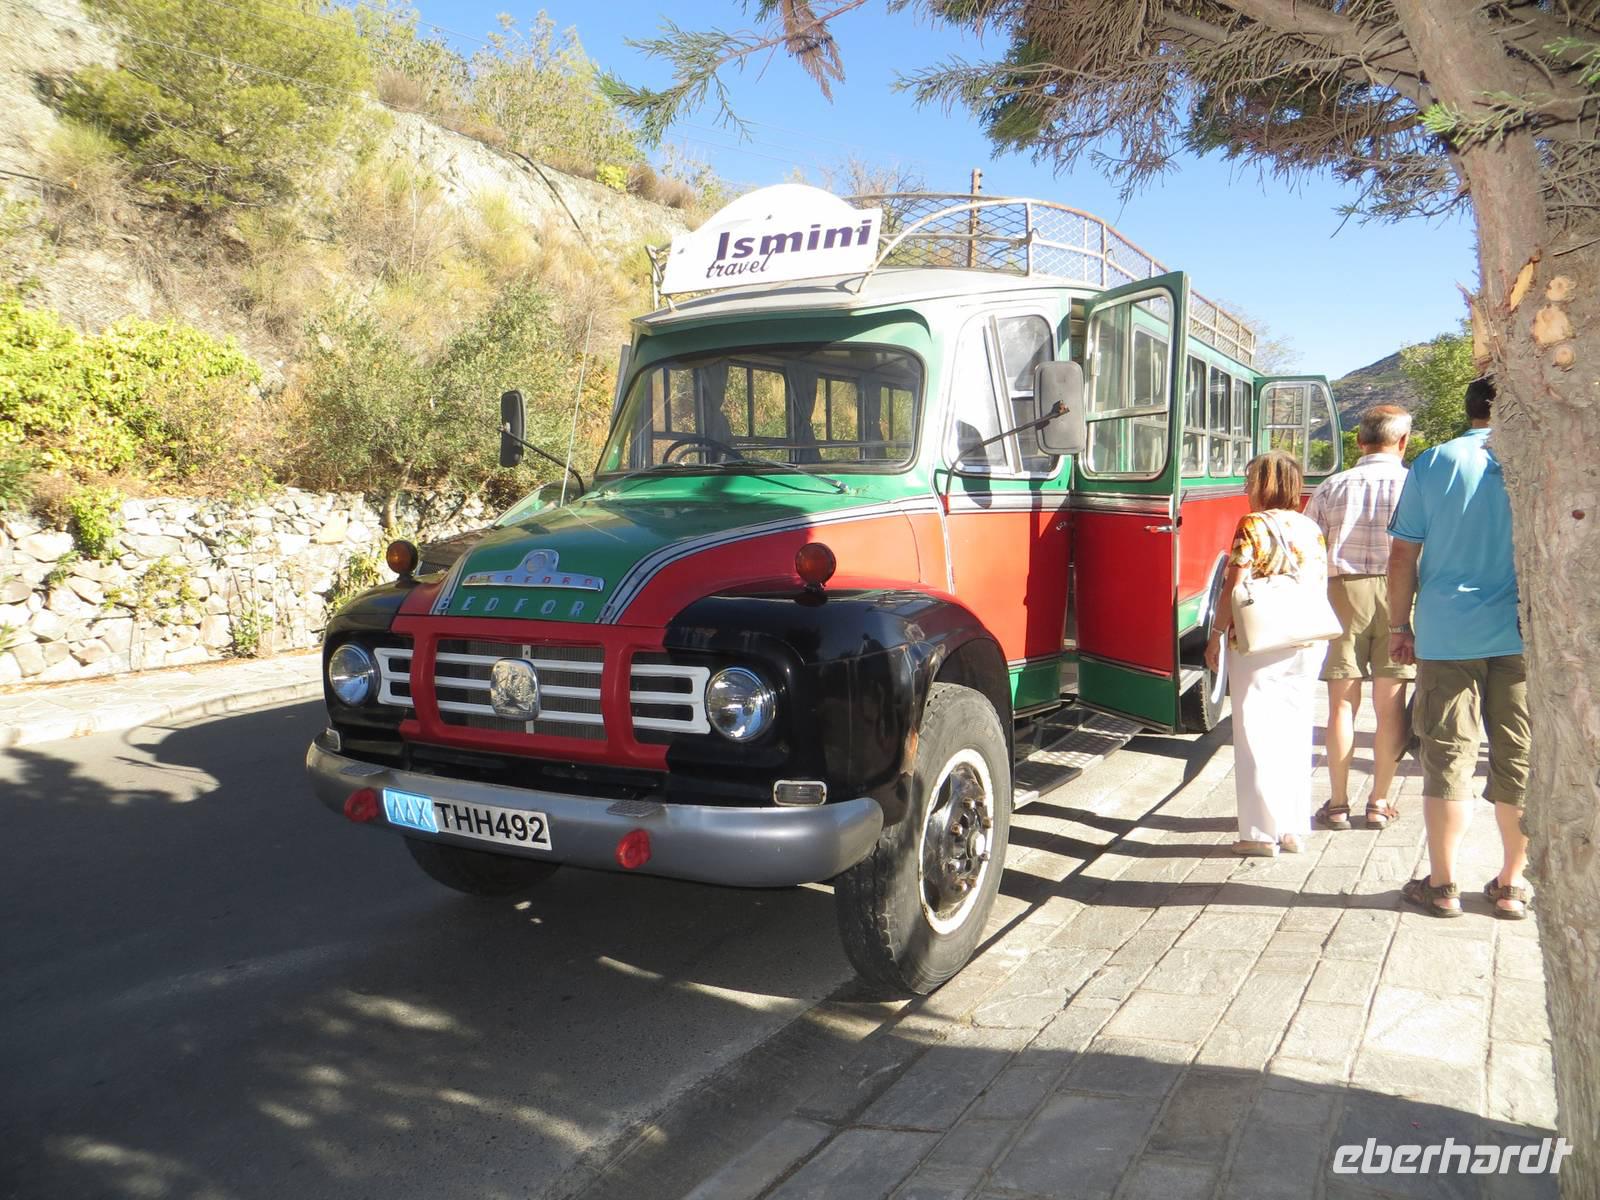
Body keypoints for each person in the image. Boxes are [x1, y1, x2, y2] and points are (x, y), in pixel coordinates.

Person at [1388, 377, 1530, 918]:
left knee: (1448, 755)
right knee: (1518, 754)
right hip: (1521, 633)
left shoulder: (1434, 462)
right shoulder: (1538, 462)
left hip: (1447, 634)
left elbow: (1403, 556)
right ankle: (1513, 884)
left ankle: (1444, 885)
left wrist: (1400, 626)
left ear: (1469, 409)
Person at [1206, 451, 1330, 857]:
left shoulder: (1253, 524)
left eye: (1249, 481)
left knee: (1255, 731)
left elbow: (1235, 586)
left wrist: (1216, 633)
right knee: (1295, 732)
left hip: (1260, 640)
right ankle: (1293, 827)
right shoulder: (1310, 526)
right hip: (1307, 638)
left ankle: (1259, 833)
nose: (1245, 489)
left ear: (1261, 485)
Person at [1304, 405, 1415, 831]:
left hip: (1341, 594)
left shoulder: (1333, 485)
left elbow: (1311, 547)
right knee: (1391, 707)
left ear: (1358, 440)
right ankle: (1380, 801)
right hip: (1400, 592)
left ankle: (1336, 803)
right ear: (1402, 441)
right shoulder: (1414, 484)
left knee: (1340, 707)